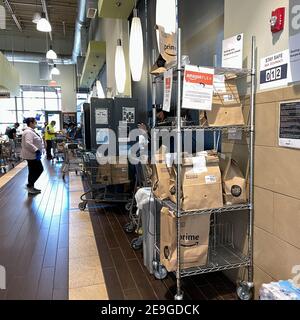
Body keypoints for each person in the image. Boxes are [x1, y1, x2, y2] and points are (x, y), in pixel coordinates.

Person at [21, 118, 43, 195]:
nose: (36, 124)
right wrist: (36, 150)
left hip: (32, 155)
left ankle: (31, 188)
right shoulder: (28, 132)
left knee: (32, 171)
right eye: (35, 122)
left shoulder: (30, 131)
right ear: (31, 123)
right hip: (32, 155)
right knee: (39, 169)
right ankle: (29, 185)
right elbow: (28, 143)